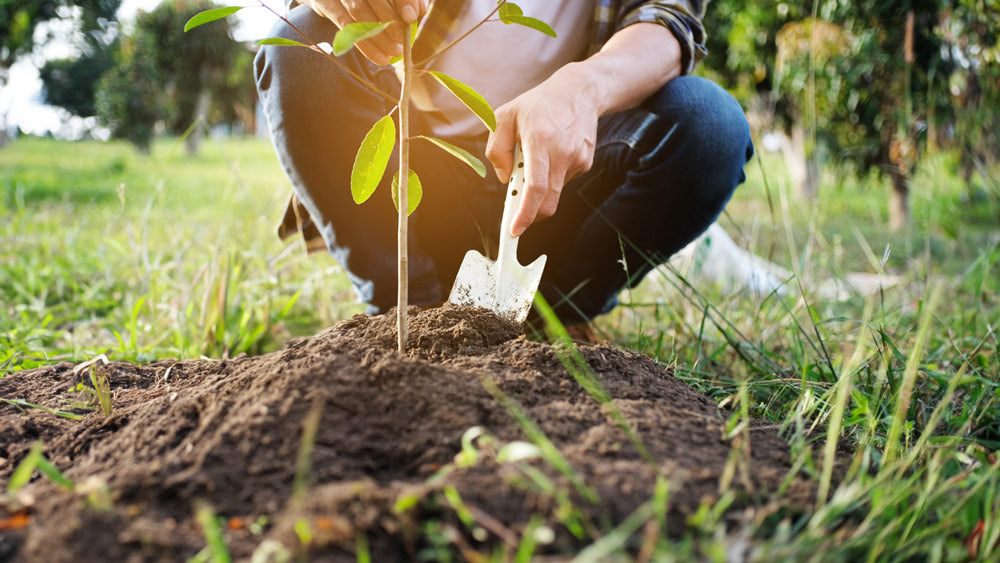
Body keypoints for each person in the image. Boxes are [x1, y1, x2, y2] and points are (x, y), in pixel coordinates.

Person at [254, 0, 753, 328]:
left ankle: (553, 319)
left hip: (561, 186)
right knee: (300, 41)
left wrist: (584, 88)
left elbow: (667, 21)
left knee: (710, 124)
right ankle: (407, 312)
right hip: (423, 187)